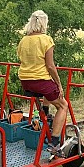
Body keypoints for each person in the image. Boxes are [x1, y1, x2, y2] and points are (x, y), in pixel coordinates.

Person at [17, 10, 68, 157]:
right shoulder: (46, 39)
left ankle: (45, 112)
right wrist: (59, 84)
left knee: (48, 88)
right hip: (40, 80)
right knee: (63, 105)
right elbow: (50, 66)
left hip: (25, 82)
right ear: (43, 23)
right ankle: (55, 142)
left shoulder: (23, 41)